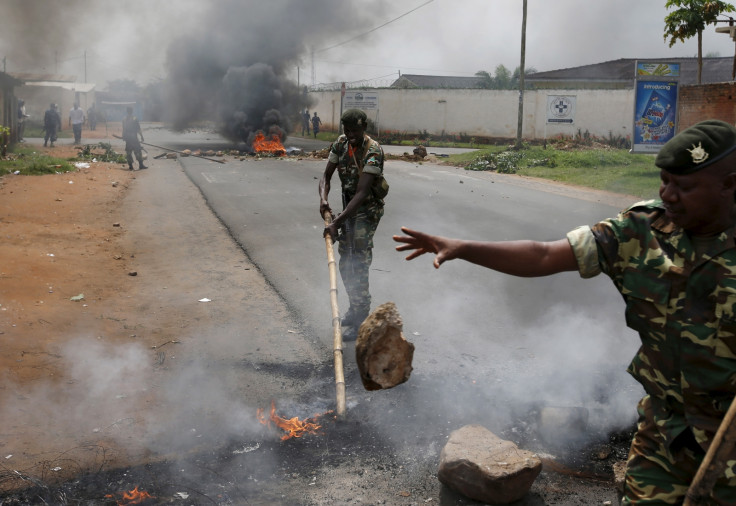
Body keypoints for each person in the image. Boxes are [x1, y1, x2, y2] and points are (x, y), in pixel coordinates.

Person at [393, 119, 736, 504]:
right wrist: (463, 247)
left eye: (684, 187)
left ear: (729, 184)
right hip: (666, 428)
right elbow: (543, 255)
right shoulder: (642, 229)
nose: (668, 195)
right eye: (665, 181)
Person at [320, 109, 387, 340]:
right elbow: (326, 177)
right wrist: (324, 200)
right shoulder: (340, 144)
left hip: (366, 211)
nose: (350, 135)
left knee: (358, 261)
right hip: (348, 210)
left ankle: (361, 318)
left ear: (364, 128)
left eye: (355, 131)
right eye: (347, 130)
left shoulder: (373, 151)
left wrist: (336, 222)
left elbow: (362, 192)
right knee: (345, 261)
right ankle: (354, 308)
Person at [122, 106, 147, 171]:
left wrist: (124, 136)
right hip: (134, 138)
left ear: (127, 111)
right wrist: (141, 136)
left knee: (129, 152)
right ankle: (141, 165)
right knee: (138, 150)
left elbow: (124, 129)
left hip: (127, 138)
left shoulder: (124, 119)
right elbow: (138, 129)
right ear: (132, 111)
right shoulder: (135, 119)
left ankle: (130, 166)